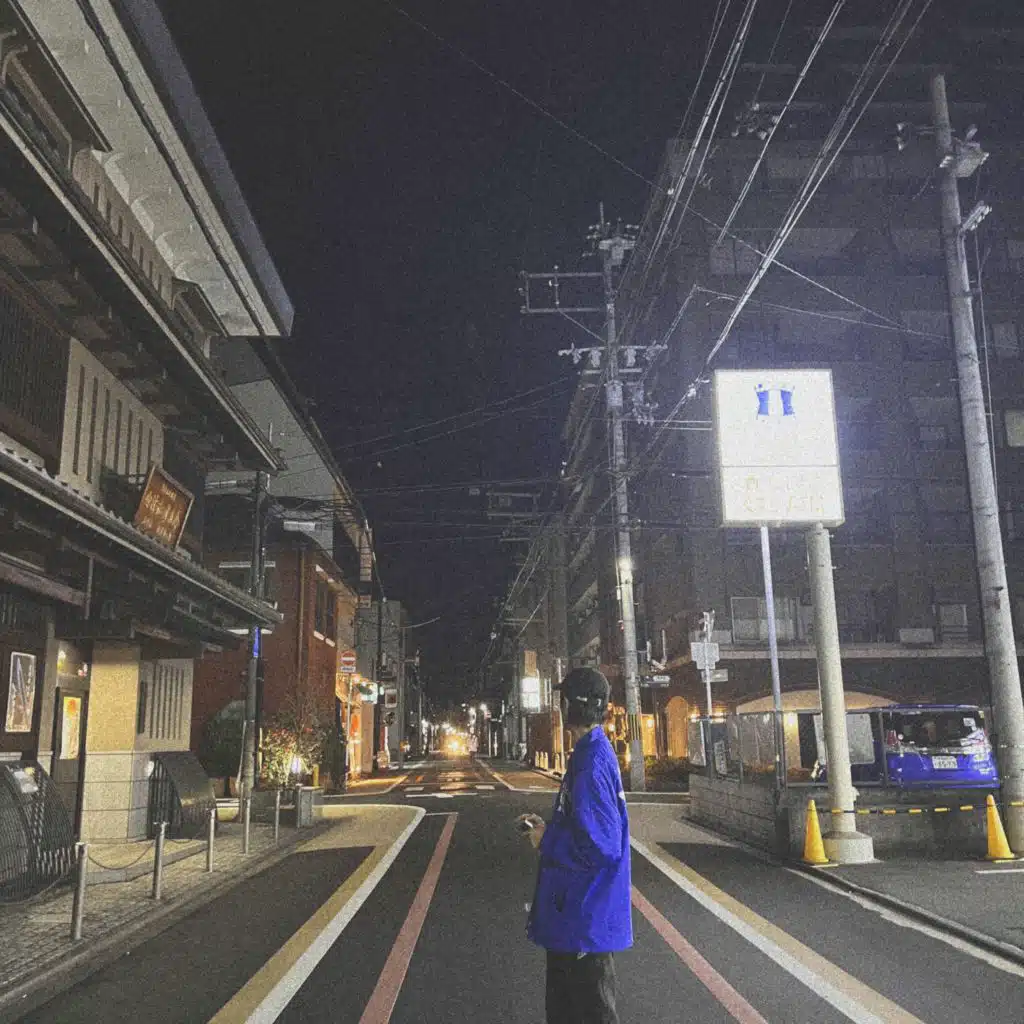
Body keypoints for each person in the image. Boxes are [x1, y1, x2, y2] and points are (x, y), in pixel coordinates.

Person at [519, 667, 632, 1024]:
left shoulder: (591, 761)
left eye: (563, 699)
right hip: (576, 918)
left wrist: (547, 840)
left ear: (571, 705)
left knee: (585, 1012)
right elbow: (588, 828)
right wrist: (549, 828)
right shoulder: (589, 752)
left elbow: (603, 846)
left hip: (583, 918)